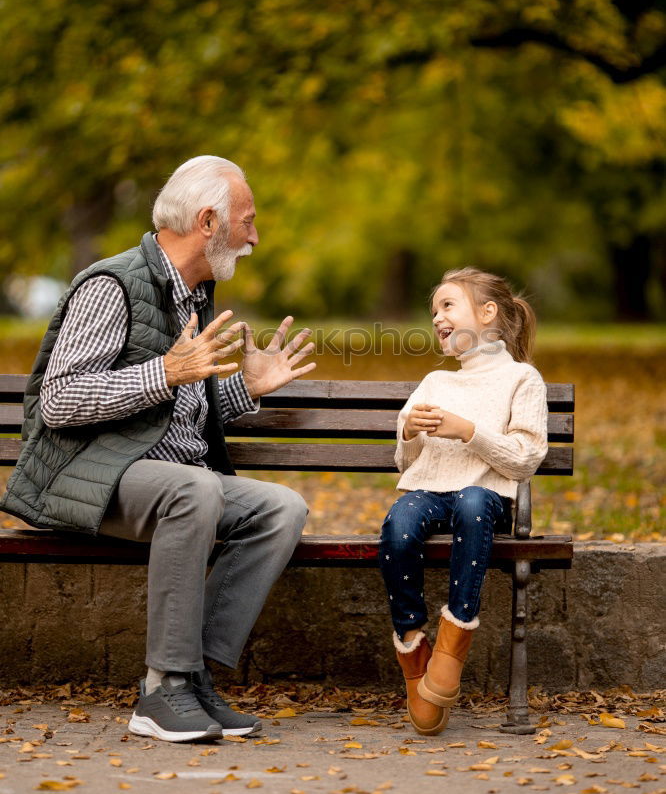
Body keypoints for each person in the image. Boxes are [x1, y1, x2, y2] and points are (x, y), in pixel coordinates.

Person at [1, 155, 316, 743]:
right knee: (192, 488)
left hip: (160, 481)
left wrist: (246, 387)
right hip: (84, 476)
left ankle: (193, 679)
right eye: (246, 220)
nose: (254, 236)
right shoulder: (111, 285)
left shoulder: (192, 296)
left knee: (281, 509)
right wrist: (164, 373)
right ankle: (161, 688)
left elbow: (174, 415)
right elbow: (60, 401)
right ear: (206, 221)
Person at [379, 266, 548, 736]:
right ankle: (413, 643)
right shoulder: (436, 381)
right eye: (434, 311)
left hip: (486, 493)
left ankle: (454, 643)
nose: (437, 317)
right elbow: (404, 461)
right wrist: (409, 431)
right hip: (431, 490)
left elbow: (525, 458)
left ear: (488, 312)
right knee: (400, 520)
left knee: (474, 501)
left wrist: (469, 432)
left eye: (448, 306)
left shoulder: (522, 379)